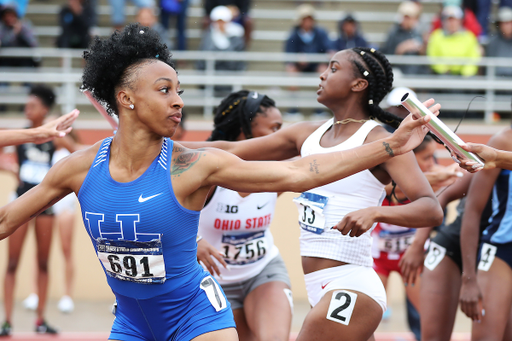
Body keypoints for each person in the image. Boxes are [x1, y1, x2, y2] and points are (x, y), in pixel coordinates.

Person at [0, 25, 439, 341]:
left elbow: (299, 173)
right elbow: (5, 218)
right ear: (126, 98)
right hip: (131, 321)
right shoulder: (78, 167)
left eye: (179, 91)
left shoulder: (193, 165)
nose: (177, 101)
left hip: (197, 314)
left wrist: (391, 146)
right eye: (164, 90)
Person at [183, 47, 444, 341]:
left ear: (358, 84)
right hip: (316, 285)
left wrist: (376, 212)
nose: (322, 74)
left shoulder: (384, 142)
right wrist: (159, 149)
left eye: (333, 68)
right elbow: (229, 151)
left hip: (352, 284)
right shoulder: (305, 134)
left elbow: (431, 209)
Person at [196, 90, 291, 341]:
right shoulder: (208, 174)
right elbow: (159, 208)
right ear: (244, 130)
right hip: (212, 280)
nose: (281, 137)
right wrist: (194, 240)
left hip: (263, 271)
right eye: (274, 128)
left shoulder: (278, 171)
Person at [371, 135, 460, 340]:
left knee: (428, 316)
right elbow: (395, 186)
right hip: (377, 258)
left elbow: (456, 175)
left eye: (433, 158)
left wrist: (443, 176)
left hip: (411, 257)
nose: (432, 164)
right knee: (367, 316)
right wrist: (431, 179)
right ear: (409, 158)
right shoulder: (383, 180)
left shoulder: (437, 175)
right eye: (426, 158)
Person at [1, 85, 69, 336]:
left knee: (42, 262)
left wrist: (61, 132)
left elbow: (77, 152)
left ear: (44, 110)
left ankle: (40, 320)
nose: (26, 109)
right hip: (20, 200)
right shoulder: (22, 134)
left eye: (32, 106)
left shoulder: (53, 136)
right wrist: (9, 168)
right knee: (12, 263)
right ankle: (6, 321)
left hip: (45, 205)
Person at [283, 4, 334, 119]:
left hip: (316, 65)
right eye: (305, 19)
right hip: (299, 66)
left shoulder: (321, 33)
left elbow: (328, 48)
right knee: (291, 70)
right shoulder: (293, 35)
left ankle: (319, 109)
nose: (307, 22)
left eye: (309, 19)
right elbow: (288, 54)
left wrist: (325, 54)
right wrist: (298, 58)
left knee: (323, 71)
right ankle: (293, 108)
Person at [426, 5, 481, 76]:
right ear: (443, 21)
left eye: (454, 20)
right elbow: (432, 57)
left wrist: (465, 73)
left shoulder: (469, 37)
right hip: (441, 76)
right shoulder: (436, 36)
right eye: (449, 20)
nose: (452, 23)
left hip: (464, 78)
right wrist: (443, 70)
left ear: (460, 21)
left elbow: (474, 58)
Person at [381, 1, 426, 75]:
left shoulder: (418, 32)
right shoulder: (394, 33)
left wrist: (423, 47)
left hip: (415, 72)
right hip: (399, 71)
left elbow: (423, 57)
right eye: (406, 17)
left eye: (411, 18)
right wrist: (400, 49)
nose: (408, 20)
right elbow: (387, 56)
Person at [0, 111, 78, 148]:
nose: (27, 111)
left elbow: (75, 149)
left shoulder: (58, 139)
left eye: (33, 107)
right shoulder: (23, 131)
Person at [0, 3, 39, 67]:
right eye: (6, 15)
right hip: (6, 60)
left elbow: (33, 43)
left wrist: (22, 31)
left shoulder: (25, 25)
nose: (8, 18)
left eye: (11, 15)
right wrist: (14, 32)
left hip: (24, 60)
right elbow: (3, 42)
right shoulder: (2, 27)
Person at [486, 6, 512, 78]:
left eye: (508, 23)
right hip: (496, 80)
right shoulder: (493, 42)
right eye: (502, 23)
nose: (505, 26)